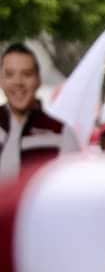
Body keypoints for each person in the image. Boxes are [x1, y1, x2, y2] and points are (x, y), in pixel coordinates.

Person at [0, 42, 79, 177]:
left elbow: (72, 189)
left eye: (27, 74)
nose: (18, 82)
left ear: (38, 80)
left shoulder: (61, 133)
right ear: (1, 80)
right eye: (10, 74)